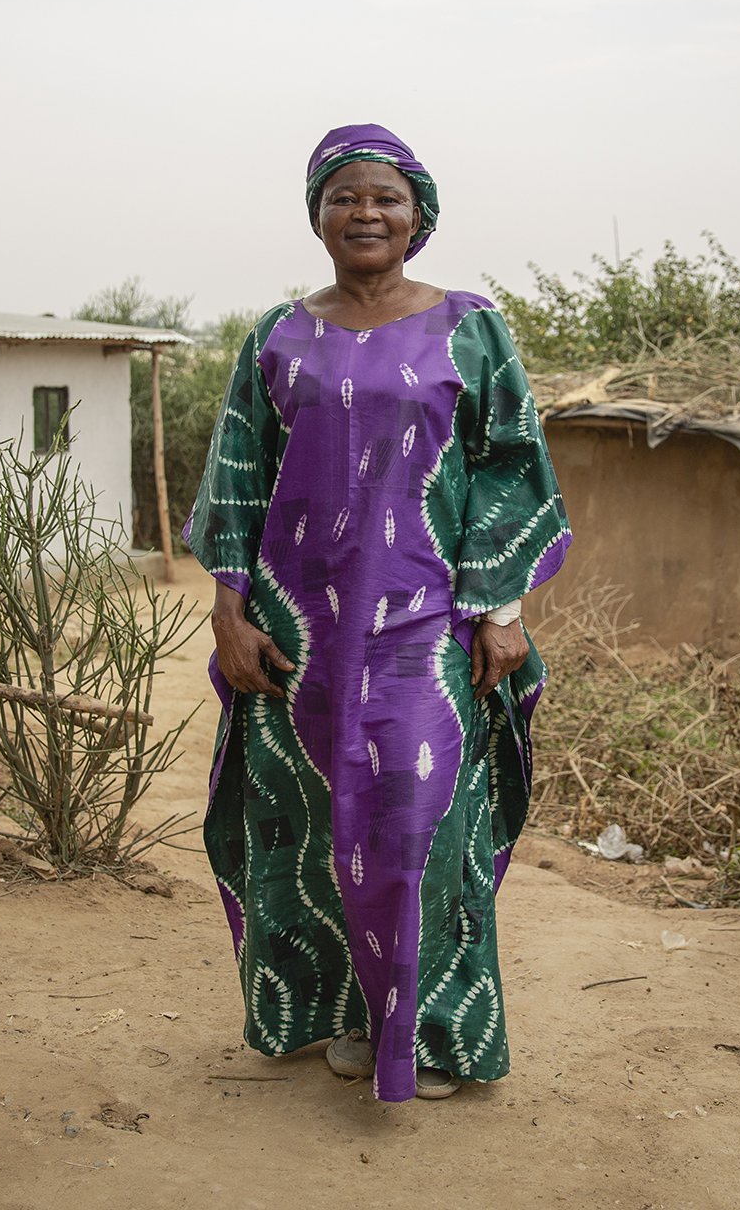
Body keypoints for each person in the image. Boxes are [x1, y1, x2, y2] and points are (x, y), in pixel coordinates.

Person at [184, 123, 571, 1103]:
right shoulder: (277, 335)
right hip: (299, 636)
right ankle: (356, 1016)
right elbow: (238, 478)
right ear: (317, 214)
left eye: (385, 198)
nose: (365, 212)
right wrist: (228, 615)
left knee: (419, 822)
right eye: (344, 196)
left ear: (418, 216)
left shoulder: (470, 327)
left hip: (427, 630)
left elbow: (508, 464)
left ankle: (434, 1030)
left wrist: (502, 605)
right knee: (320, 824)